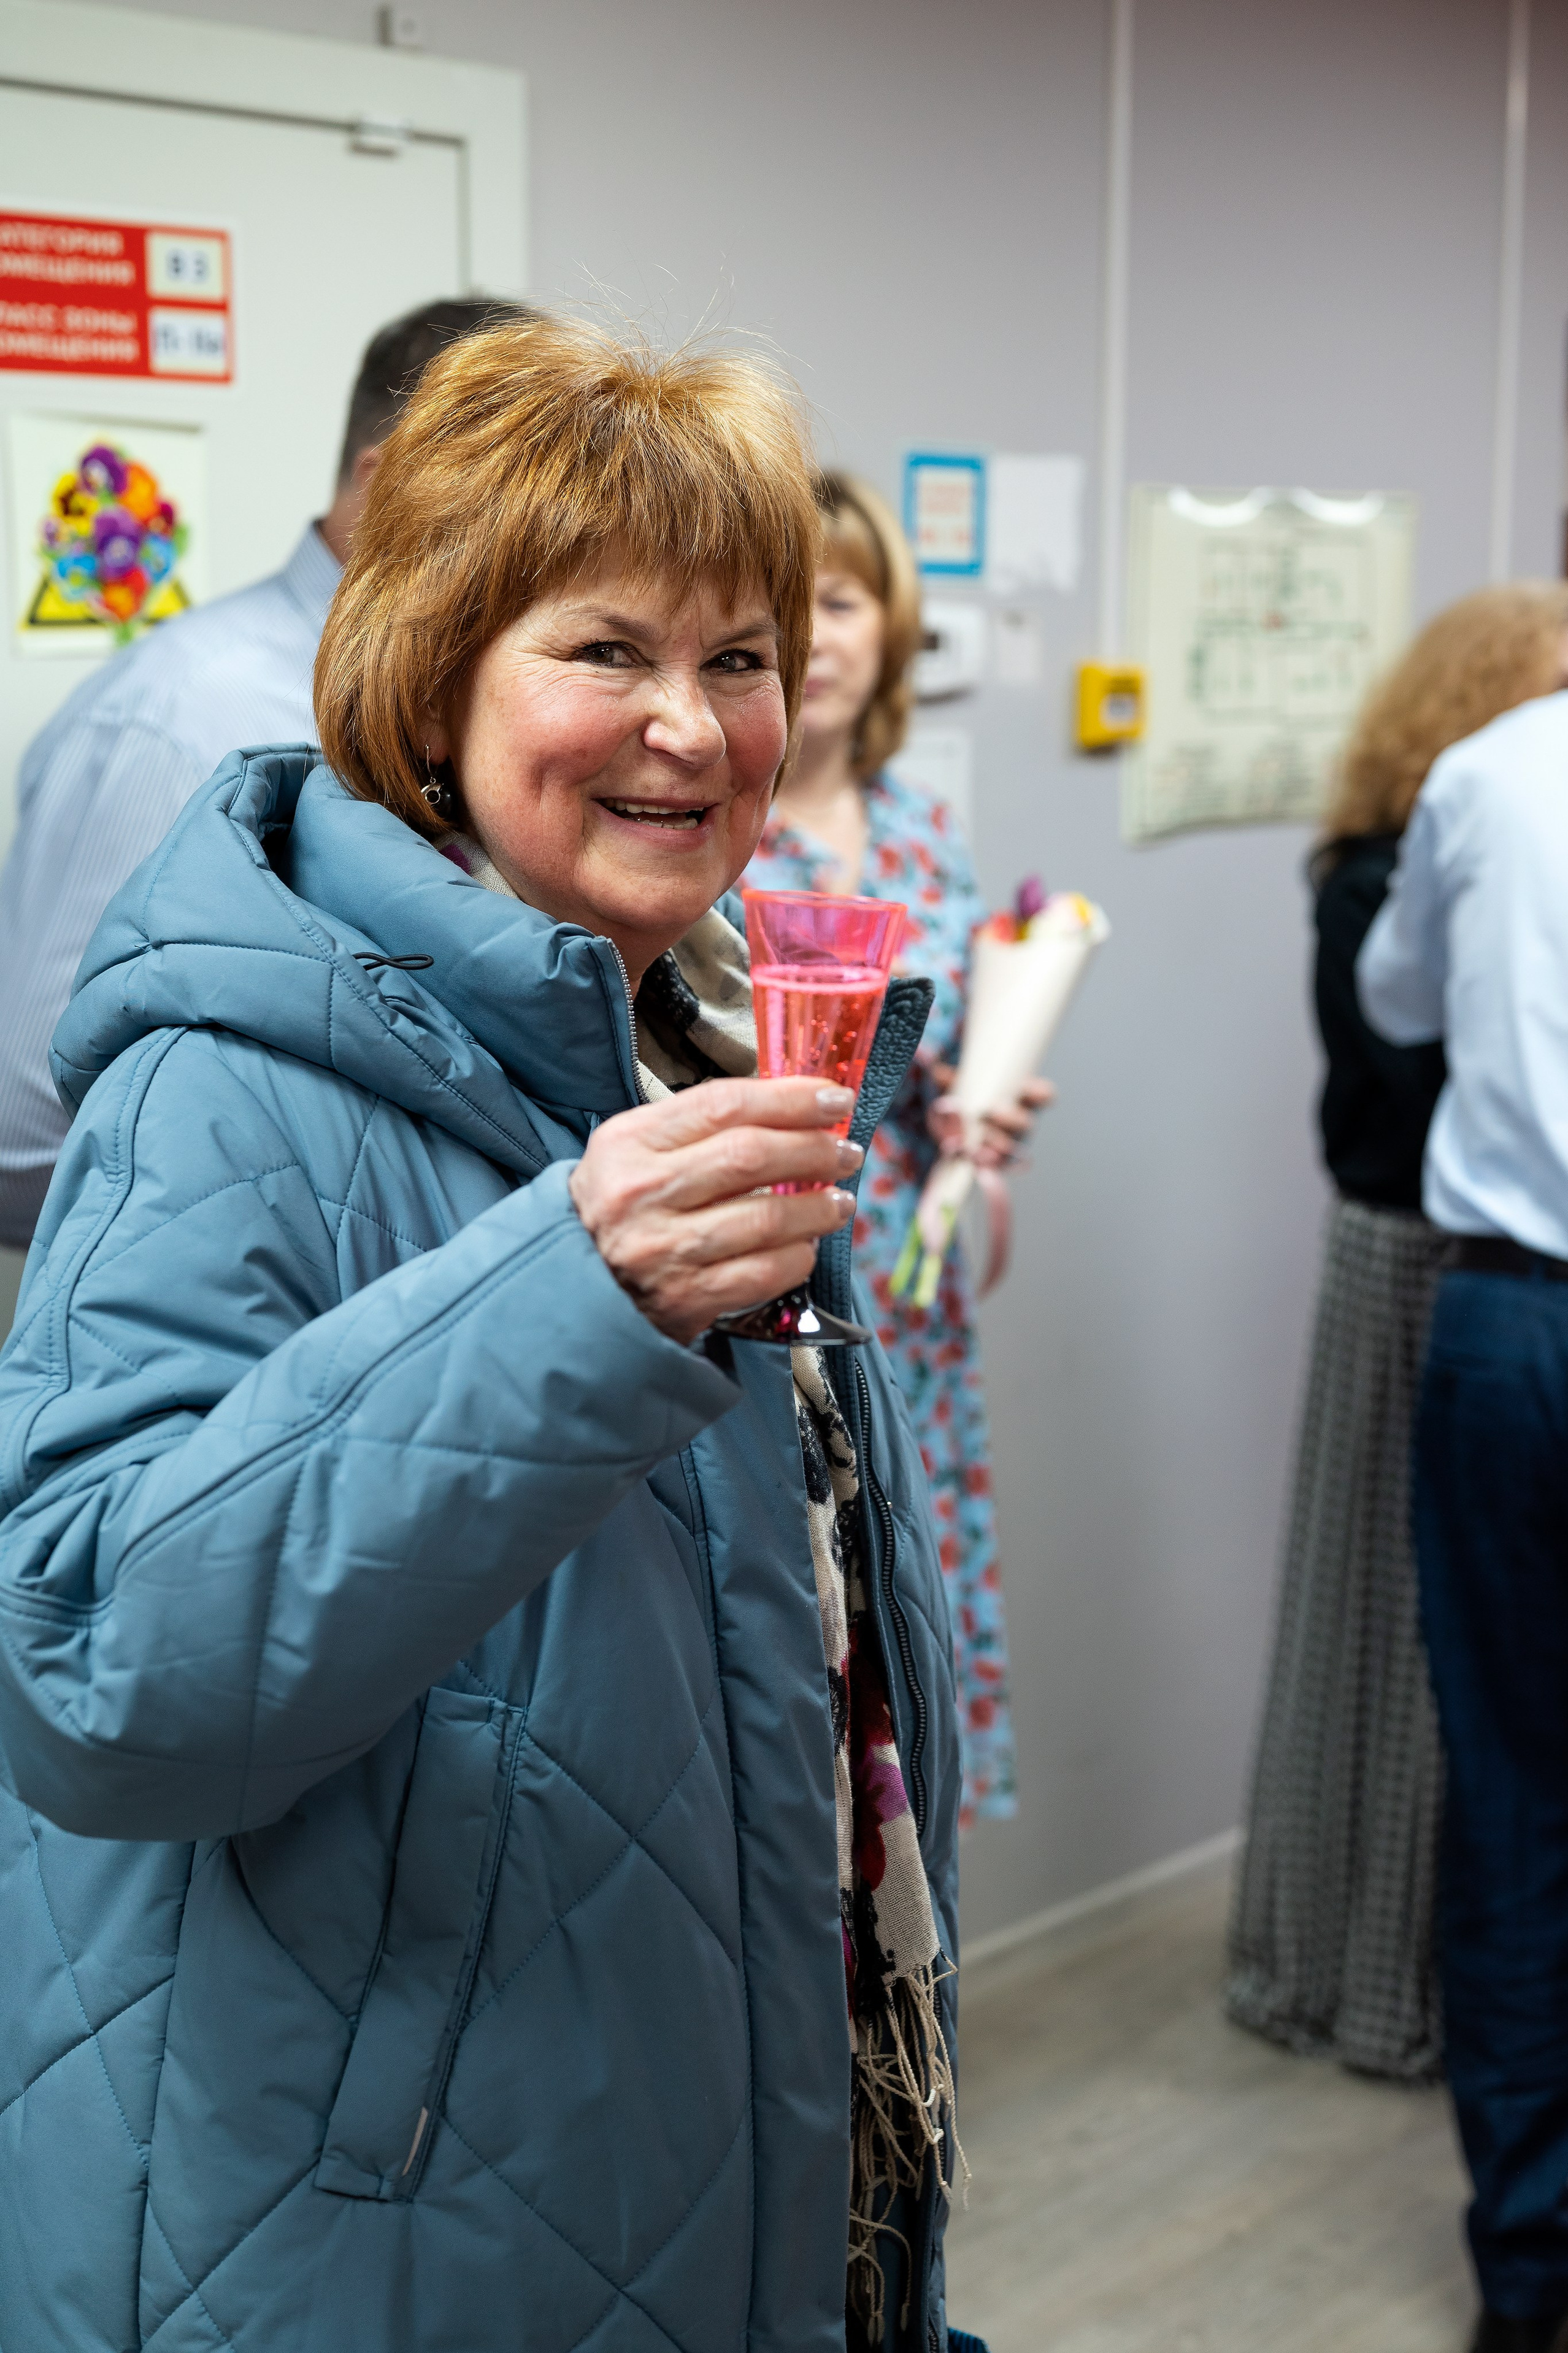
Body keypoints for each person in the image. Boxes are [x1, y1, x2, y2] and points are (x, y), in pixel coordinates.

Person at [0, 315, 973, 2353]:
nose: (696, 729)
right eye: (607, 650)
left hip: (723, 2144)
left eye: (738, 655)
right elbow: (90, 1670)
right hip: (385, 2229)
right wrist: (570, 1292)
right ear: (432, 671)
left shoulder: (684, 1039)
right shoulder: (222, 1086)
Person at [1228, 584, 1568, 2088]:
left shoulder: (1474, 819)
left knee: (1478, 1722)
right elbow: (1400, 1068)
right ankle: (1377, 1974)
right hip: (1424, 1270)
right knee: (1412, 1672)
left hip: (1481, 1282)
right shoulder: (1386, 865)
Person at [0, 293, 536, 1249]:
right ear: (382, 491)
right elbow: (23, 1137)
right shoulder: (175, 718)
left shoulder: (491, 716)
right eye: (517, 507)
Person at [745, 470, 1045, 1828]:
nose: (819, 627)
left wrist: (986, 1107)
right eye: (786, 600)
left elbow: (952, 1044)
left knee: (906, 1621)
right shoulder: (706, 829)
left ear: (889, 626)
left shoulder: (921, 826)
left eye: (847, 597)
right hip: (768, 1287)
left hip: (913, 1307)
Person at [1358, 609, 1568, 2353]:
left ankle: (1531, 2275)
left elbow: (1398, 999)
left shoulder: (1490, 775)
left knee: (1513, 1794)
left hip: (1514, 1329)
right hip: (1503, 1322)